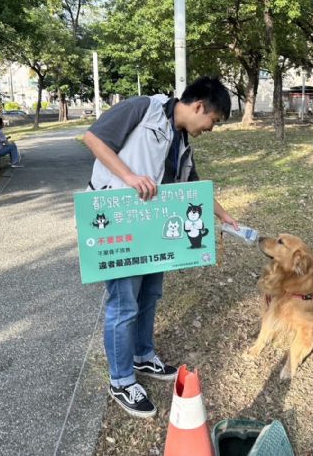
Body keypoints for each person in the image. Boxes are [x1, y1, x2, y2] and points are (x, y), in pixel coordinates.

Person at [84, 76, 238, 418]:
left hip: (153, 231)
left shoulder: (182, 140)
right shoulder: (143, 109)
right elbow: (93, 138)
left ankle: (142, 354)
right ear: (199, 106)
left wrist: (224, 216)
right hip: (120, 224)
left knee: (150, 294)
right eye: (213, 121)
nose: (210, 129)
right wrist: (129, 177)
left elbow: (193, 186)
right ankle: (121, 380)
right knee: (124, 303)